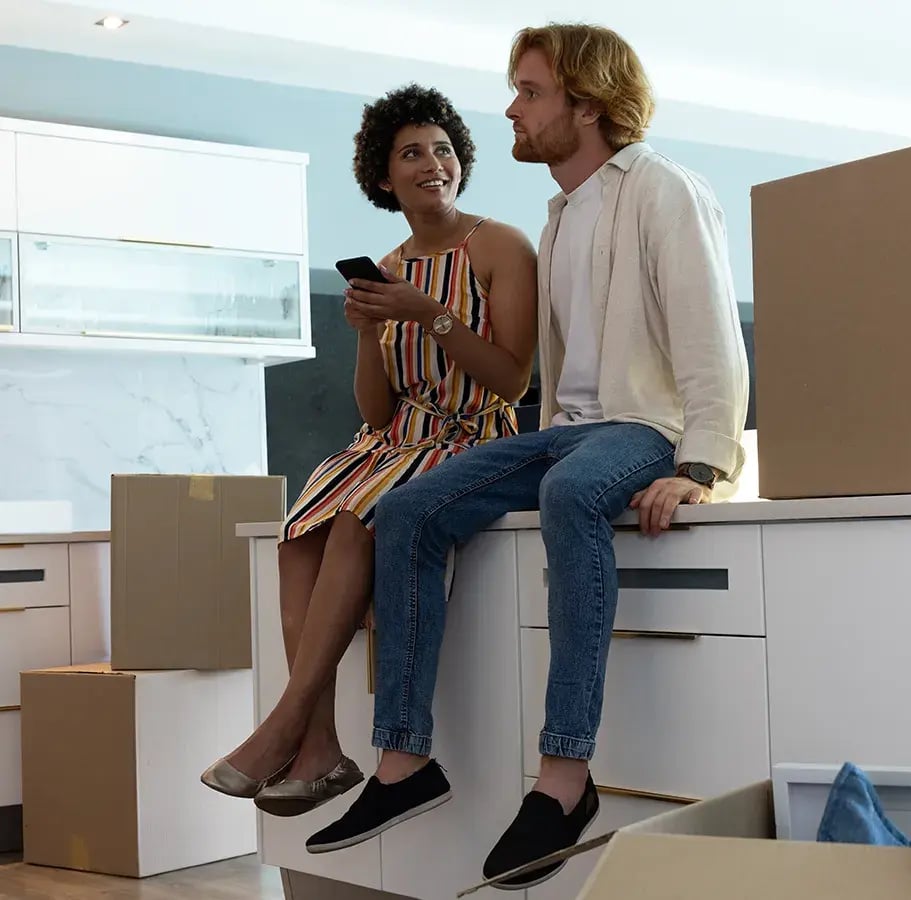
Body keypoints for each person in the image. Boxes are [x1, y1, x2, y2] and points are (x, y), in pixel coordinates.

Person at [307, 22, 749, 889]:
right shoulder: (559, 215)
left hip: (640, 427)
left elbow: (711, 338)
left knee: (574, 492)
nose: (511, 108)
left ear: (585, 105)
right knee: (405, 508)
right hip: (562, 428)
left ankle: (564, 777)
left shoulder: (661, 188)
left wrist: (702, 465)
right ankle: (403, 762)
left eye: (531, 91)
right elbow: (528, 376)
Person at [200, 83, 538, 818]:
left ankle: (285, 725)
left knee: (356, 521)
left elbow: (513, 379)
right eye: (411, 153)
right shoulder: (386, 264)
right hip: (392, 441)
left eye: (443, 149)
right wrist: (365, 333)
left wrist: (432, 315)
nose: (432, 163)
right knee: (295, 539)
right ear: (384, 178)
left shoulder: (502, 245)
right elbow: (378, 409)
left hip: (471, 436)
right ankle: (318, 747)